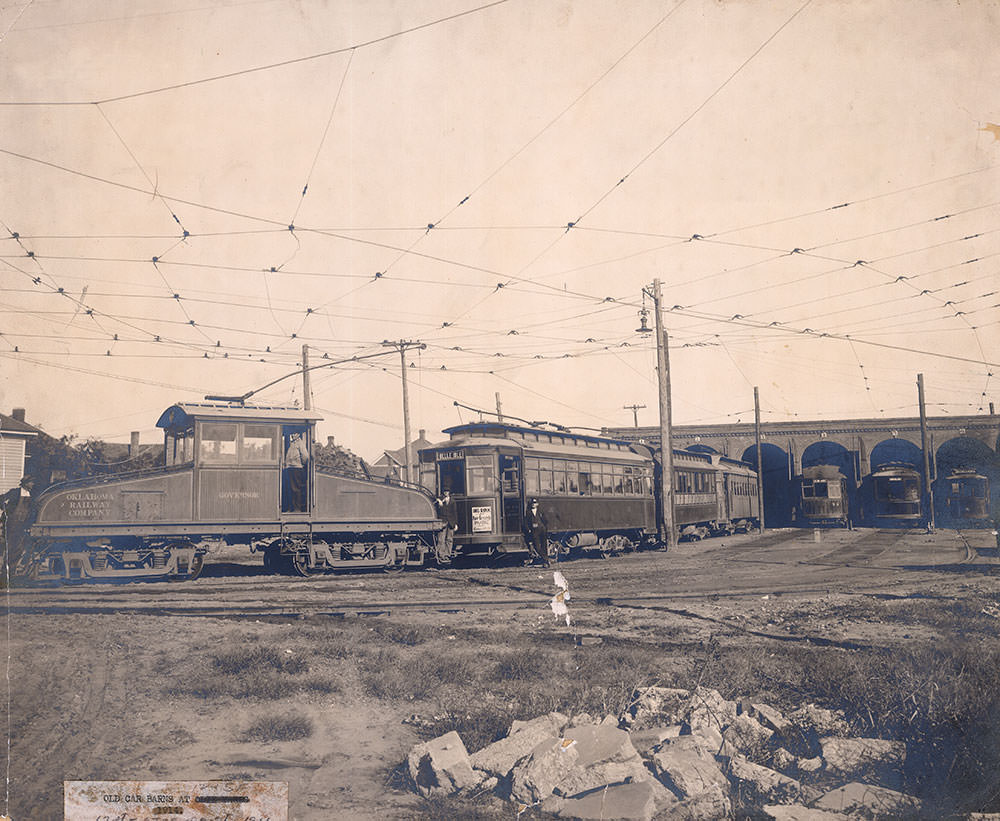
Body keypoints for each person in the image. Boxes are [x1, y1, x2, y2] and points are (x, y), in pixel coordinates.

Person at [1, 476, 34, 578]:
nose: (33, 484)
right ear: (25, 483)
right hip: (12, 524)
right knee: (11, 548)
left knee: (18, 549)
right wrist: (7, 511)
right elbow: (1, 499)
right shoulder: (15, 492)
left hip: (21, 525)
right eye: (31, 482)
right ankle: (6, 572)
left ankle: (11, 571)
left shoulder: (30, 494)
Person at [284, 432, 310, 512]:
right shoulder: (293, 443)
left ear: (298, 434)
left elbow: (305, 456)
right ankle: (292, 508)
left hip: (297, 469)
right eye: (292, 434)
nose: (292, 435)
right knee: (291, 489)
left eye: (294, 433)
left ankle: (297, 509)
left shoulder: (300, 443)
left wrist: (301, 464)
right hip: (290, 468)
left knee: (296, 489)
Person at [524, 497, 549, 567]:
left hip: (542, 530)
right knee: (537, 546)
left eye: (535, 503)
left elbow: (546, 520)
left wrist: (545, 528)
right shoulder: (528, 512)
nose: (533, 504)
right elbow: (526, 521)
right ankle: (545, 559)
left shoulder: (541, 511)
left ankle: (545, 562)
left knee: (544, 546)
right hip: (534, 531)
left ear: (537, 504)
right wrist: (528, 529)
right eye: (532, 503)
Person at [434, 490, 457, 562]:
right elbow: (436, 509)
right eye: (445, 491)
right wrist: (439, 503)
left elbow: (455, 513)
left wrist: (455, 524)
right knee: (441, 539)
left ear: (449, 492)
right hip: (442, 522)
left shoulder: (452, 501)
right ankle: (441, 555)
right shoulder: (439, 499)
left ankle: (447, 555)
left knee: (449, 539)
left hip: (451, 522)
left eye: (447, 491)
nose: (446, 492)